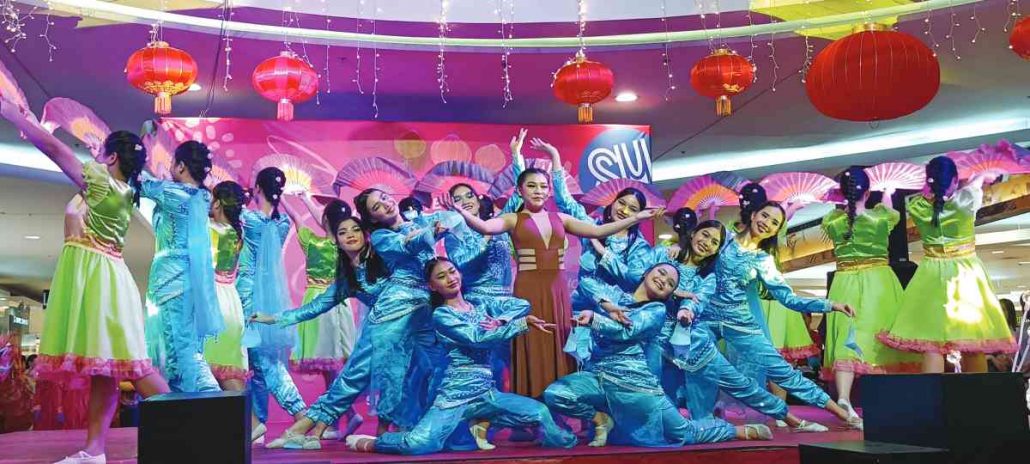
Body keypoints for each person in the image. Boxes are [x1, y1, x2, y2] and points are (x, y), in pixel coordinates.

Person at [444, 140, 664, 399]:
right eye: (531, 186)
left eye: (543, 186)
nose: (538, 191)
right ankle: (531, 401)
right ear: (520, 190)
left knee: (559, 339)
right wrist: (460, 212)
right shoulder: (512, 218)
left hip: (557, 290)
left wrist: (636, 218)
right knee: (531, 339)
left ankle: (560, 400)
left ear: (549, 191)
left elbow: (598, 231)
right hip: (529, 288)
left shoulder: (561, 218)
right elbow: (485, 227)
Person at [599, 220, 827, 431]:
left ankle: (791, 419)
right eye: (704, 235)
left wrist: (687, 309)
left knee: (737, 383)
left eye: (714, 242)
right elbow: (633, 274)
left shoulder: (707, 278)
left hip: (690, 342)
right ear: (693, 234)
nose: (706, 242)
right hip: (650, 337)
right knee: (649, 390)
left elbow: (696, 301)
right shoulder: (663, 254)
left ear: (717, 250)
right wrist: (598, 246)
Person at [31, 131, 171, 463]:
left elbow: (53, 148)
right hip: (103, 277)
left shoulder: (101, 181)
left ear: (111, 158)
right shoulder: (117, 189)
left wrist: (16, 116)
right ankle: (94, 450)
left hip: (101, 281)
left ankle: (194, 427)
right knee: (104, 371)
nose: (92, 158)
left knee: (134, 368)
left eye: (99, 152)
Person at [344, 258, 577, 454]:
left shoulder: (480, 305)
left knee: (540, 413)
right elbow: (476, 338)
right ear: (432, 286)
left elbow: (521, 304)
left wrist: (502, 320)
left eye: (452, 271)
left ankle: (481, 421)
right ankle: (374, 442)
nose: (450, 278)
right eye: (441, 276)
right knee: (420, 444)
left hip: (487, 393)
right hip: (455, 395)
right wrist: (518, 325)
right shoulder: (443, 316)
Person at [544, 264, 774, 447]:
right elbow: (586, 281)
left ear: (669, 294)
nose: (663, 280)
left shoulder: (656, 310)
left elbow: (627, 330)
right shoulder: (614, 295)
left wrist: (595, 318)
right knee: (556, 394)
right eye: (661, 273)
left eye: (670, 283)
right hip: (598, 378)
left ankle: (734, 430)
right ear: (646, 273)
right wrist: (605, 304)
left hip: (636, 387)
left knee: (684, 433)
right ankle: (601, 419)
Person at [702, 201, 863, 430]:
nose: (767, 223)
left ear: (776, 231)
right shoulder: (723, 238)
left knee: (782, 371)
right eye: (765, 216)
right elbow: (694, 255)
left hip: (740, 322)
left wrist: (830, 304)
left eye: (774, 223)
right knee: (697, 368)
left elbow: (788, 298)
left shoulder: (763, 260)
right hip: (704, 319)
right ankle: (701, 420)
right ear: (753, 214)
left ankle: (845, 415)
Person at [256, 210, 384, 450]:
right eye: (343, 232)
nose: (350, 235)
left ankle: (307, 431)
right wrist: (274, 318)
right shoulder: (348, 279)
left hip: (412, 328)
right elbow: (315, 306)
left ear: (366, 234)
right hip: (381, 332)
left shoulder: (383, 259)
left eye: (356, 229)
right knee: (348, 380)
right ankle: (307, 431)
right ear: (337, 240)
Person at [880, 156, 1016, 372]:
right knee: (973, 342)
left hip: (930, 274)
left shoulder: (916, 206)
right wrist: (980, 174)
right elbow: (973, 185)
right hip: (965, 273)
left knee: (931, 345)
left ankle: (930, 393)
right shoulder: (967, 198)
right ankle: (977, 392)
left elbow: (936, 195)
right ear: (954, 179)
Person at [821, 167, 920, 415]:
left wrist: (839, 201)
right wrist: (887, 193)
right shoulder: (879, 218)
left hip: (844, 282)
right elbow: (890, 212)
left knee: (847, 335)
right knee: (880, 335)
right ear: (867, 192)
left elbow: (840, 212)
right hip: (878, 281)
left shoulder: (833, 221)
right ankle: (886, 401)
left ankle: (844, 397)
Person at [141, 140, 224, 394]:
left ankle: (201, 404)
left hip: (170, 281)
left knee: (177, 352)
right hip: (192, 281)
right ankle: (209, 400)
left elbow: (138, 182)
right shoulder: (204, 196)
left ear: (181, 166)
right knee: (189, 347)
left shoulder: (170, 192)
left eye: (172, 162)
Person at [281, 196, 360, 439]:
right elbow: (327, 221)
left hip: (319, 303)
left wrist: (285, 197)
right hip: (340, 304)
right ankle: (343, 416)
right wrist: (307, 200)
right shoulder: (344, 246)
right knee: (334, 367)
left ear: (325, 220)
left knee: (331, 367)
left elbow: (296, 218)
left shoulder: (313, 242)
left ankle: (339, 418)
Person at [238, 167, 307, 442]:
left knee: (264, 361)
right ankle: (258, 424)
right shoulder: (282, 223)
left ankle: (302, 414)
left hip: (247, 293)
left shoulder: (247, 218)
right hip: (271, 297)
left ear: (257, 188)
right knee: (257, 364)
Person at [202, 181, 251, 391]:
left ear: (218, 203)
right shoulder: (238, 232)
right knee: (227, 368)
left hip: (213, 300)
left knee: (211, 368)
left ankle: (246, 413)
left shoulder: (209, 228)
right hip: (231, 301)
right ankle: (246, 412)